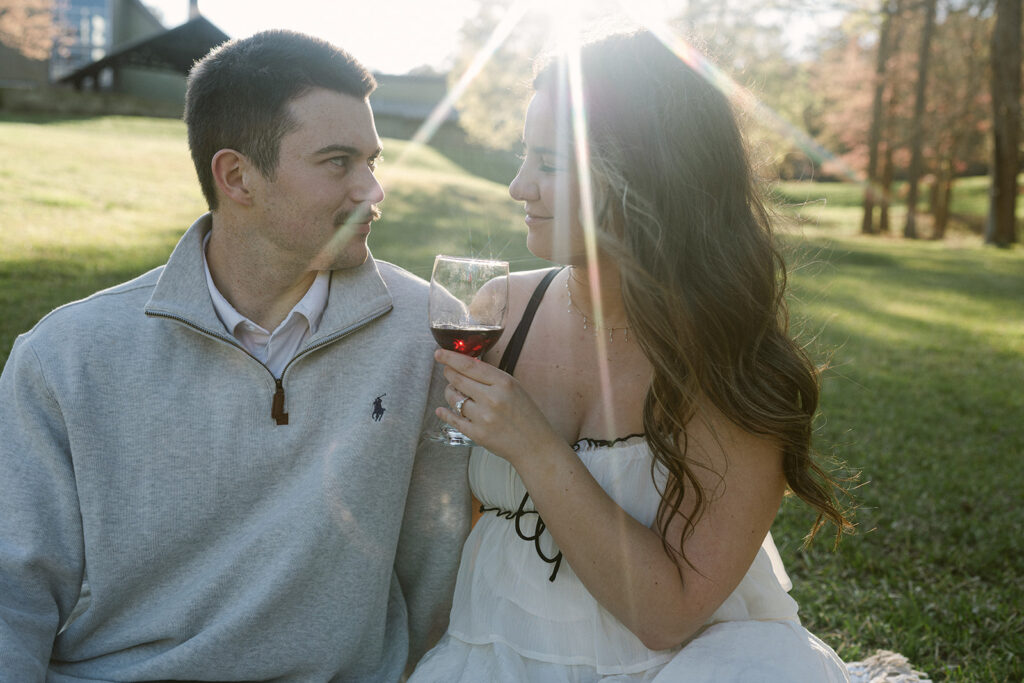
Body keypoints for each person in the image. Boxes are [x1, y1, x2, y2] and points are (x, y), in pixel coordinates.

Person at [0, 30, 469, 681]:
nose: (372, 190)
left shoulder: (425, 334)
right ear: (237, 176)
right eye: (338, 163)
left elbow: (440, 562)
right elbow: (10, 595)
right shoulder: (68, 356)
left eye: (373, 161)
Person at [409, 30, 853, 682]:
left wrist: (532, 443)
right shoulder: (502, 315)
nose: (518, 186)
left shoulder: (732, 366)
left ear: (647, 176)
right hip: (488, 655)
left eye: (550, 164)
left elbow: (668, 616)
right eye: (522, 156)